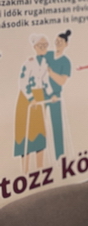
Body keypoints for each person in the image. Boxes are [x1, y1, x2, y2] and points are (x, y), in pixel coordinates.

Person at [14, 34, 51, 173]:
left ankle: (40, 169)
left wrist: (52, 94)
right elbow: (23, 82)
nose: (43, 48)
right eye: (41, 45)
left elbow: (46, 80)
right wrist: (31, 98)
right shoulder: (28, 63)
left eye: (45, 45)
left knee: (40, 133)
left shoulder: (45, 62)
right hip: (27, 99)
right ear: (35, 47)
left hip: (40, 96)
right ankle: (25, 171)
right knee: (26, 133)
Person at [45, 30, 72, 161]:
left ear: (66, 44)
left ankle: (59, 156)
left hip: (55, 96)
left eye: (60, 42)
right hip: (42, 92)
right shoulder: (48, 55)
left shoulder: (65, 62)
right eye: (56, 41)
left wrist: (50, 73)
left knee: (57, 126)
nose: (58, 43)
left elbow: (62, 81)